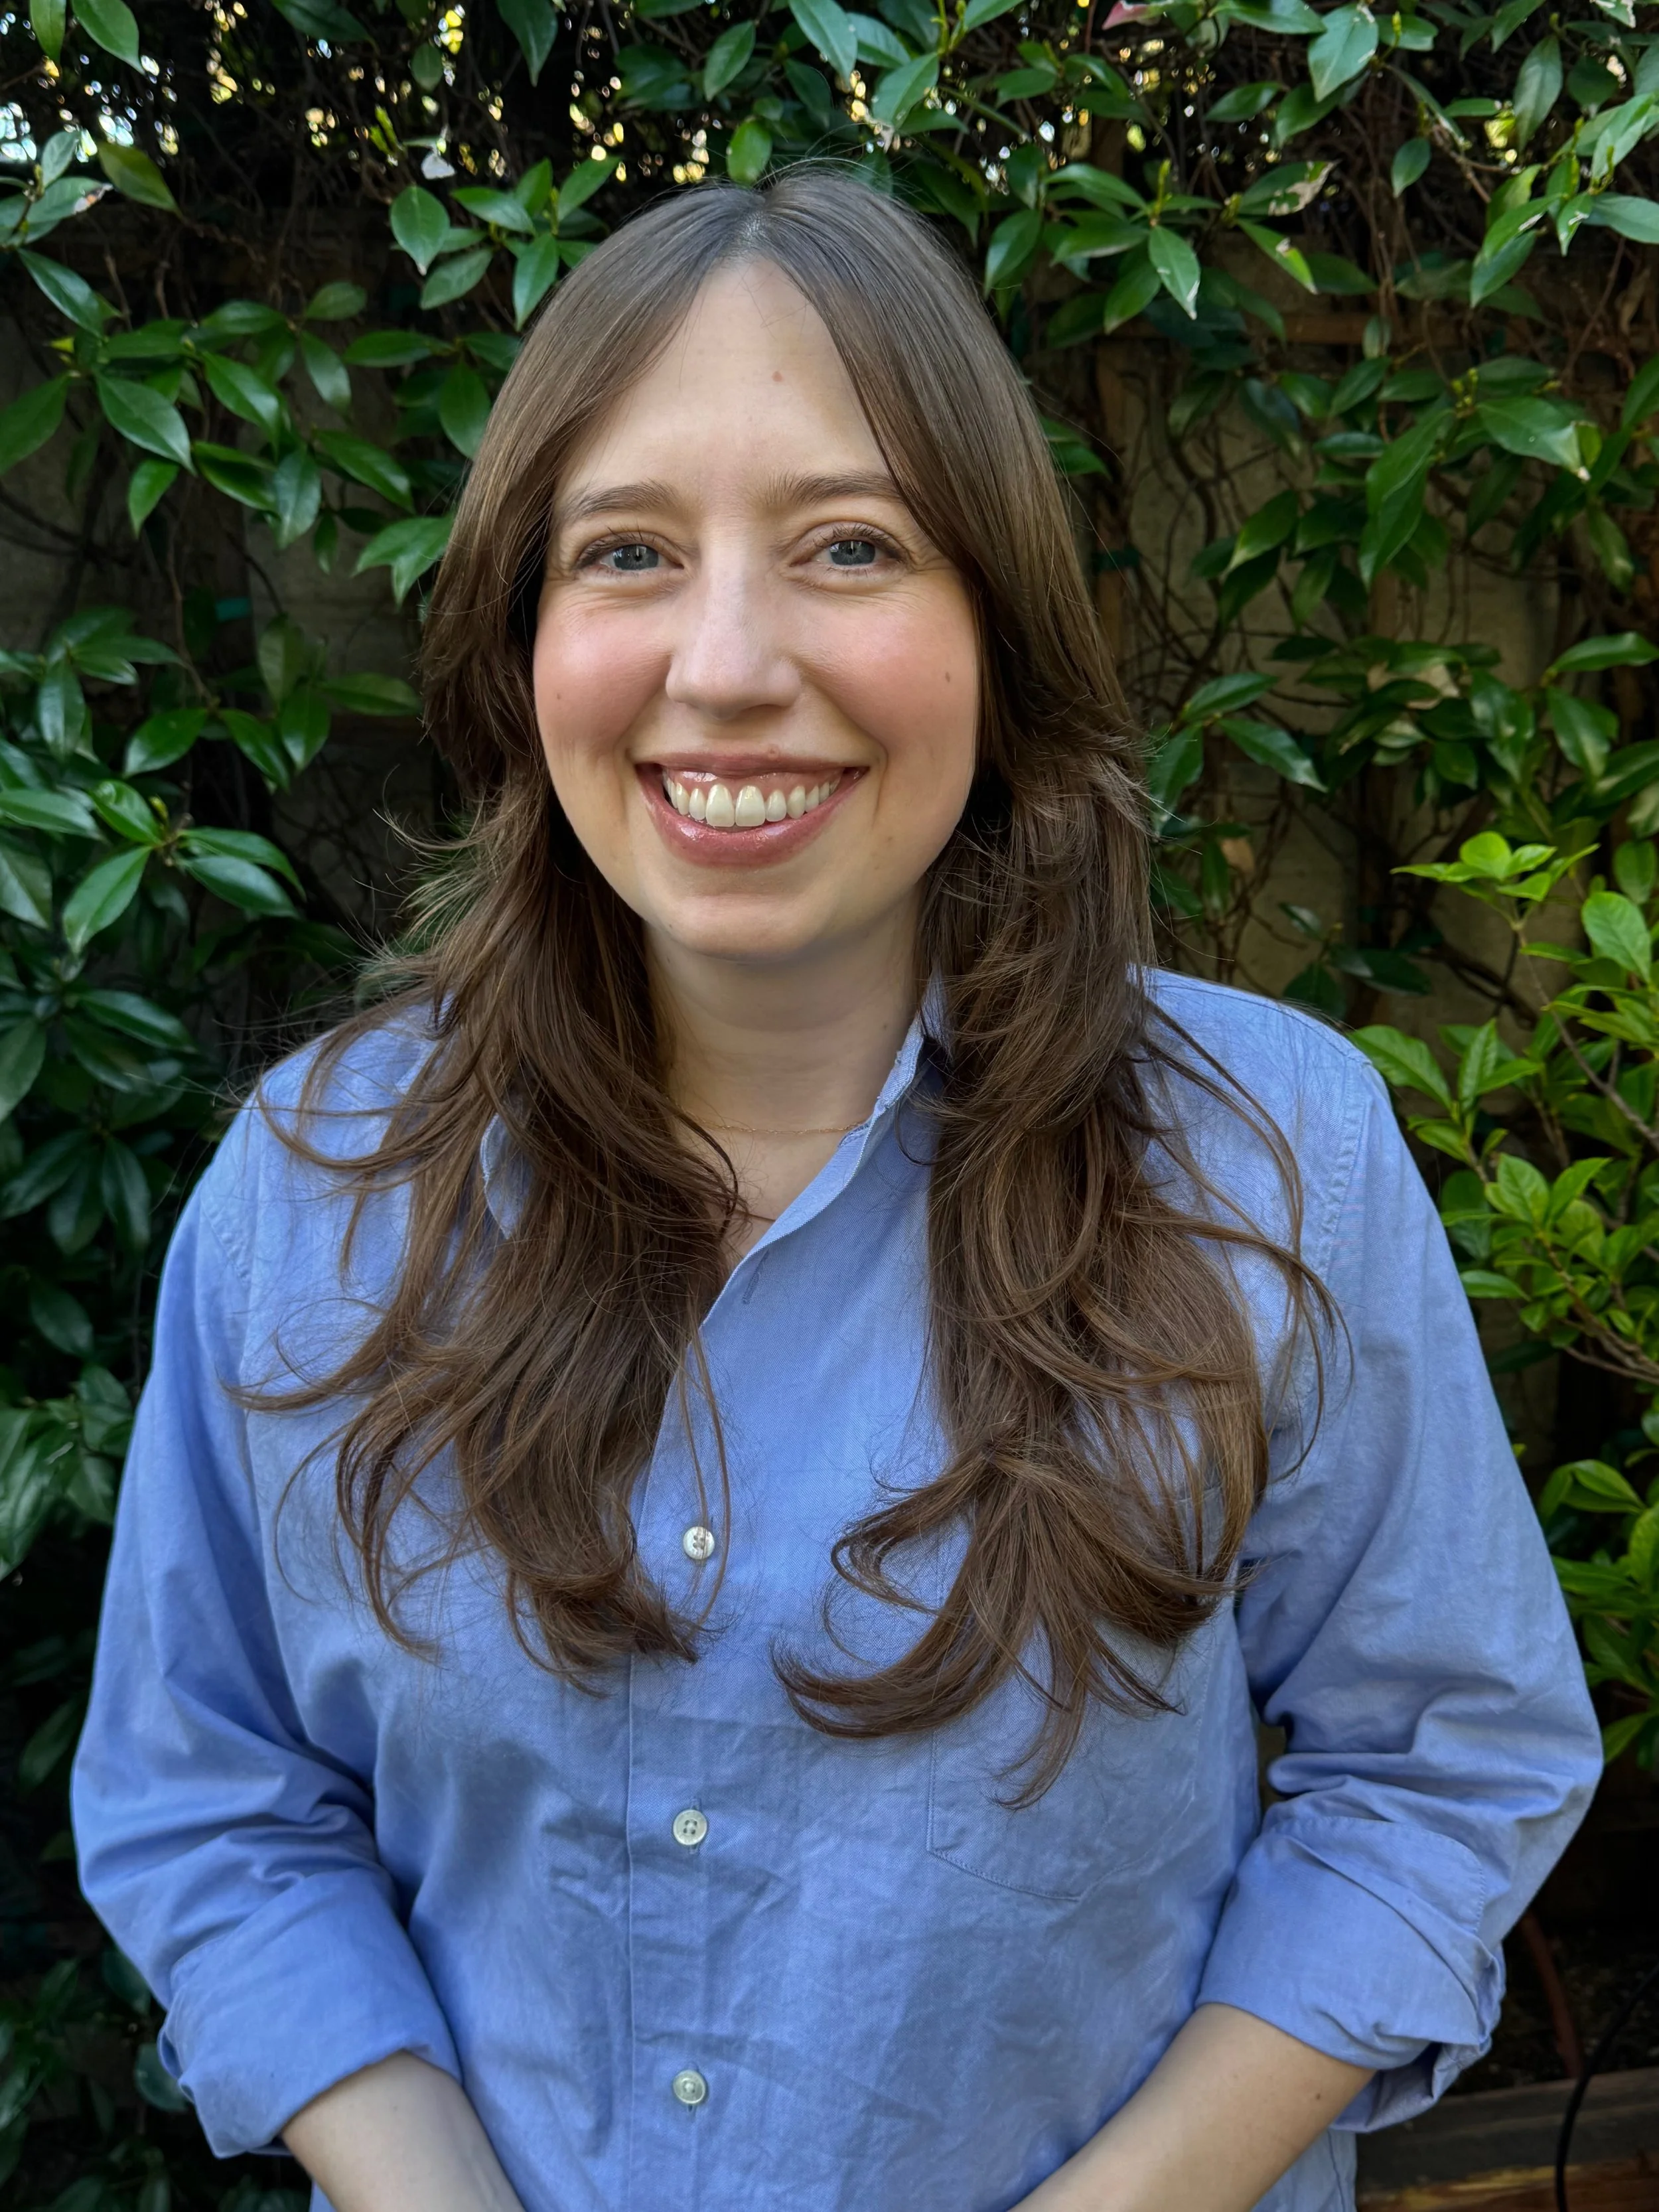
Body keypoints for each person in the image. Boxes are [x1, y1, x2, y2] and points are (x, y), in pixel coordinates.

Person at [72, 167, 1600, 2212]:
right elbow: (215, 1798)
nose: (724, 662)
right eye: (625, 551)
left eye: (848, 544)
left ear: (998, 621)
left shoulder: (1272, 1158)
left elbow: (1436, 1772)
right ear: (521, 631)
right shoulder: (311, 1195)